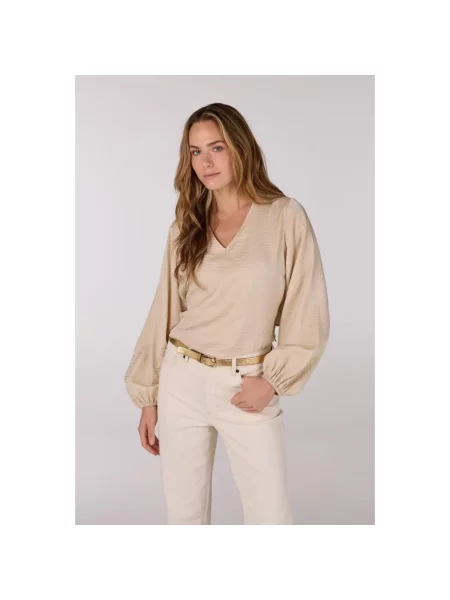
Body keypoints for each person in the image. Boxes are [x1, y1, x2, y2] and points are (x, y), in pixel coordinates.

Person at [124, 102, 330, 525]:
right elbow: (164, 310)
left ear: (240, 147)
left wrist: (271, 382)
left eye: (216, 148)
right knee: (185, 518)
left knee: (270, 517)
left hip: (247, 383)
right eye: (195, 151)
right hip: (181, 381)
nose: (205, 162)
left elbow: (307, 309)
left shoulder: (284, 216)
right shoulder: (187, 225)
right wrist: (149, 397)